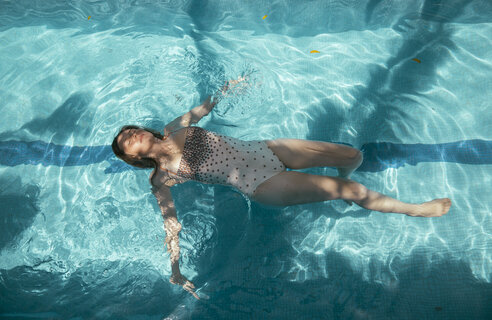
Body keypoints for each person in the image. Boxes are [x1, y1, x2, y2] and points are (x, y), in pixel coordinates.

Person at [111, 77, 452, 299]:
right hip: (261, 184)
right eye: (126, 142)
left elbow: (203, 108)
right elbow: (171, 225)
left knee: (351, 155)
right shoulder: (162, 178)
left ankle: (340, 181)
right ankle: (415, 209)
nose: (131, 135)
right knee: (352, 191)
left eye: (129, 130)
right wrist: (176, 270)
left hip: (267, 149)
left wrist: (229, 87)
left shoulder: (173, 128)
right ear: (133, 157)